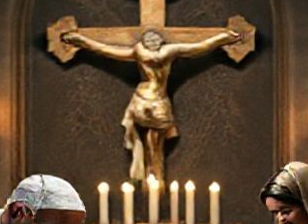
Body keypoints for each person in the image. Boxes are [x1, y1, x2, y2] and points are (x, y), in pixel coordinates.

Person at [61, 28, 242, 181]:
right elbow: (105, 49)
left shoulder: (158, 51)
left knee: (153, 143)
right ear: (146, 42)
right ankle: (152, 175)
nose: (153, 44)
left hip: (149, 100)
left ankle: (152, 176)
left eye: (155, 40)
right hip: (148, 101)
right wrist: (222, 38)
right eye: (150, 40)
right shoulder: (168, 51)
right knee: (150, 143)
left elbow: (199, 47)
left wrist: (222, 38)